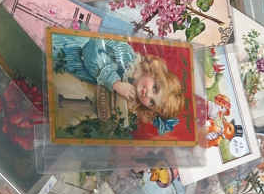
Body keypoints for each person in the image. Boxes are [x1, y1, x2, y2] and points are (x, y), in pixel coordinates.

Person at [52, 34, 185, 130]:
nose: (147, 94)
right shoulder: (126, 56)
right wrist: (115, 83)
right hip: (62, 47)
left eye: (152, 102)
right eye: (155, 88)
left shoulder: (130, 96)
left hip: (64, 72)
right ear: (154, 73)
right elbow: (91, 48)